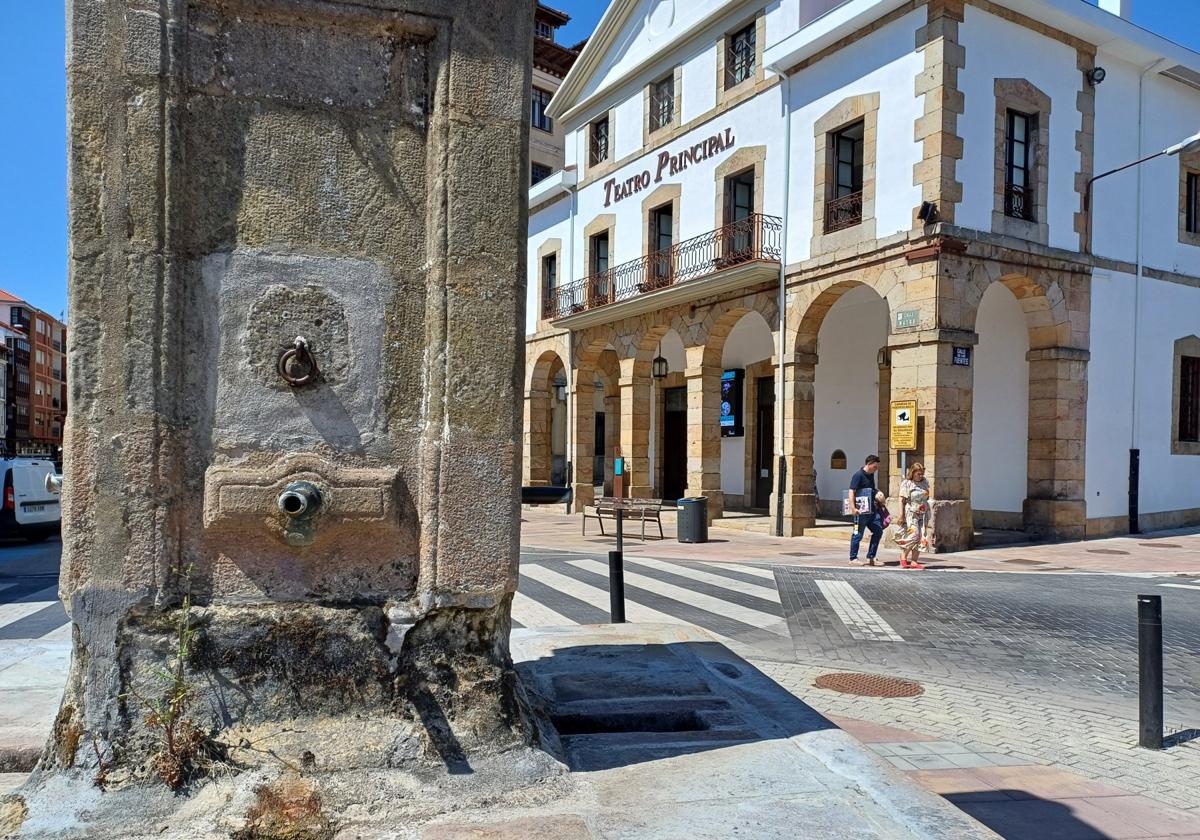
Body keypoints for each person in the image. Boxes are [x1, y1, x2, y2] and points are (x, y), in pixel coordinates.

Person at [847, 454, 882, 566]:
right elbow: (852, 491)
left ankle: (871, 557)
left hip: (871, 510)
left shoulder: (871, 475)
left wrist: (878, 493)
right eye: (875, 467)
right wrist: (853, 508)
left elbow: (870, 489)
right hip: (860, 512)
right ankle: (853, 558)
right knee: (857, 534)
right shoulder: (858, 475)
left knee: (878, 530)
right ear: (869, 464)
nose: (876, 470)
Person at [896, 462, 931, 570]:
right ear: (913, 473)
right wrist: (901, 515)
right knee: (914, 535)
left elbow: (927, 496)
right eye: (918, 474)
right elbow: (901, 500)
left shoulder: (925, 482)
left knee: (921, 538)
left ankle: (914, 561)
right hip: (911, 513)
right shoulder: (907, 483)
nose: (921, 476)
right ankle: (903, 555)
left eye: (922, 474)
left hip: (923, 513)